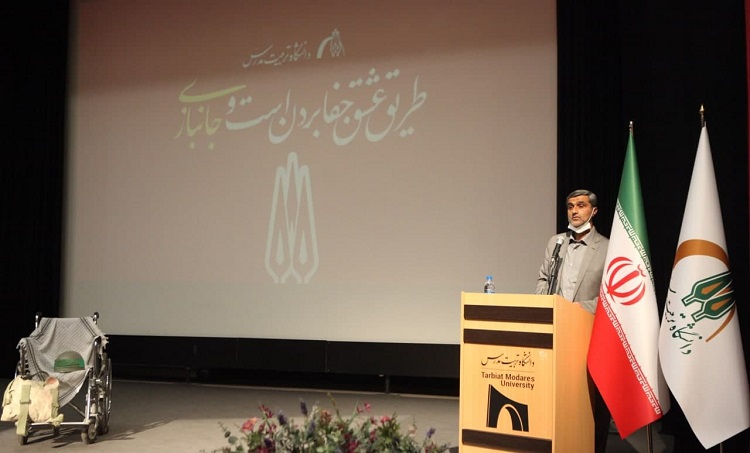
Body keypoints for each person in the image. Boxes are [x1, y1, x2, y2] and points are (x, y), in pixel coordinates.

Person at [535, 188, 611, 453]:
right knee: (557, 395)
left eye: (581, 205)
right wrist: (544, 305)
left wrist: (577, 309)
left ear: (594, 211)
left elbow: (610, 296)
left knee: (588, 399)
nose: (574, 211)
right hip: (556, 330)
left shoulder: (607, 247)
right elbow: (544, 278)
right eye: (570, 206)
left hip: (588, 331)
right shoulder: (556, 242)